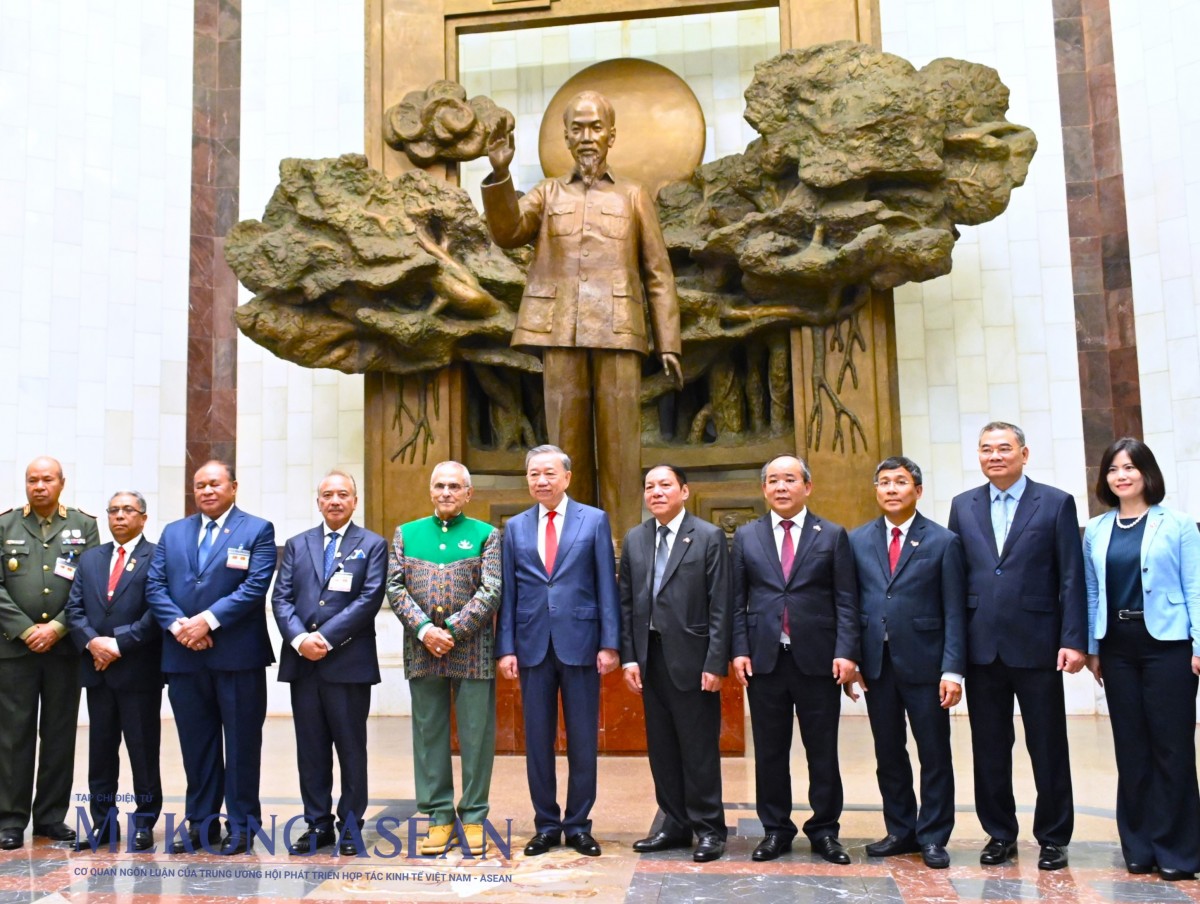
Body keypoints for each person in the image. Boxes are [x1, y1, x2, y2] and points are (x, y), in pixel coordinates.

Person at [482, 90, 683, 537]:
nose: (587, 136)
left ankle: (623, 543)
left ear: (611, 135)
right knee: (563, 446)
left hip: (619, 329)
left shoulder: (633, 195)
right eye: (578, 128)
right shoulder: (548, 192)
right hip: (560, 330)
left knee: (621, 445)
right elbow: (508, 231)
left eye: (596, 127)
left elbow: (658, 272)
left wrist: (668, 341)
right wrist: (499, 175)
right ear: (567, 137)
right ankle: (573, 542)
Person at [947, 421, 1086, 870]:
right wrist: (954, 654)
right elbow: (955, 580)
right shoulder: (962, 506)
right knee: (989, 746)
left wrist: (1073, 639)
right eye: (986, 449)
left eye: (1004, 448)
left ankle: (1053, 836)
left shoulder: (1055, 502)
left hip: (1038, 643)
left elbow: (1071, 576)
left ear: (1024, 454)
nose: (995, 456)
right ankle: (999, 833)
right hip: (981, 646)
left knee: (1047, 744)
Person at [730, 454, 860, 864]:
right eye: (773, 480)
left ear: (807, 486)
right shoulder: (747, 536)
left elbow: (846, 599)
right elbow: (736, 601)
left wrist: (846, 651)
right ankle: (775, 829)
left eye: (789, 479)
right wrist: (739, 649)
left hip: (818, 659)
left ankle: (825, 830)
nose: (781, 487)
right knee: (770, 751)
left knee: (822, 750)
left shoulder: (832, 535)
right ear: (764, 488)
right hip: (765, 659)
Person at [1082, 437, 1200, 881]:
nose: (1121, 476)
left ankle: (1178, 851)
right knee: (1130, 748)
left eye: (1130, 467)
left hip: (1168, 646)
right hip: (1117, 647)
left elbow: (1196, 586)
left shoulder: (1178, 524)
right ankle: (1139, 846)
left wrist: (1199, 644)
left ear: (1147, 473)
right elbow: (1092, 591)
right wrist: (1093, 648)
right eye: (1113, 469)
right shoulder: (1096, 529)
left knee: (1171, 747)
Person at [145, 460, 276, 855]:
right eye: (200, 485)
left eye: (214, 484)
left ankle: (242, 825)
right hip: (184, 657)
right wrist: (180, 627)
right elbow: (155, 586)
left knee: (241, 745)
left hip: (237, 657)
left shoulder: (257, 529)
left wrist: (206, 622)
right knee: (196, 745)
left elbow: (255, 586)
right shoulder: (173, 532)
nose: (206, 491)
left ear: (233, 487)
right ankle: (201, 824)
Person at [496, 444, 619, 857]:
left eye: (549, 473)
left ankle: (579, 825)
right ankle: (546, 825)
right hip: (531, 645)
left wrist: (609, 643)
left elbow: (606, 584)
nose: (541, 481)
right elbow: (509, 592)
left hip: (581, 642)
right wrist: (506, 647)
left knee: (583, 740)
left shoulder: (594, 520)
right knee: (537, 740)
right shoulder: (515, 527)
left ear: (567, 477)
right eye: (534, 474)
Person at [848, 456, 965, 870]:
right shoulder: (857, 540)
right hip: (877, 665)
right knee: (888, 752)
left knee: (933, 753)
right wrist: (852, 659)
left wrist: (953, 669)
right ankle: (900, 829)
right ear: (876, 490)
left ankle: (933, 835)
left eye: (900, 482)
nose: (891, 489)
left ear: (918, 490)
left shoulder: (943, 541)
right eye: (884, 482)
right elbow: (850, 604)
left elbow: (954, 610)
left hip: (926, 664)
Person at [387, 461, 501, 857]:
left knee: (476, 735)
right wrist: (425, 630)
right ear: (430, 491)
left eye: (455, 486)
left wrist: (451, 630)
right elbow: (395, 588)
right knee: (428, 733)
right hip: (422, 649)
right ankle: (438, 816)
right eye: (440, 485)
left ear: (469, 493)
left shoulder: (486, 535)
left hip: (472, 649)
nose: (447, 492)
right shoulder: (406, 533)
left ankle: (474, 816)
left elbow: (491, 590)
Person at [619, 465, 731, 863]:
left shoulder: (708, 536)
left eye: (665, 485)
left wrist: (716, 662)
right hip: (650, 658)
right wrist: (629, 657)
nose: (656, 492)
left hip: (694, 659)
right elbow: (626, 602)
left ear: (684, 491)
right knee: (662, 747)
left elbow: (721, 604)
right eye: (649, 486)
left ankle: (709, 829)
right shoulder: (635, 538)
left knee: (698, 748)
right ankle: (674, 823)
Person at [272, 471, 386, 857]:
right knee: (311, 748)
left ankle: (350, 826)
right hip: (303, 664)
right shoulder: (297, 544)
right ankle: (317, 823)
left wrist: (325, 638)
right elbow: (281, 598)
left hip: (348, 663)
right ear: (318, 501)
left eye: (342, 494)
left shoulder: (372, 544)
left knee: (351, 748)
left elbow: (369, 598)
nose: (335, 500)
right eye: (327, 495)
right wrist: (300, 640)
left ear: (355, 501)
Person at [0, 456, 99, 850]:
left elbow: (88, 583)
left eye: (46, 479)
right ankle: (10, 819)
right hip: (14, 649)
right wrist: (26, 630)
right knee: (13, 736)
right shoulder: (5, 524)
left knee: (59, 733)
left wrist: (57, 627)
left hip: (63, 650)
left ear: (61, 483)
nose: (39, 486)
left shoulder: (83, 525)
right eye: (32, 480)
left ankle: (50, 817)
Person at [64, 491, 163, 852]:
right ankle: (103, 823)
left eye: (128, 510)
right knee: (101, 752)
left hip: (138, 671)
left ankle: (145, 821)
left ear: (143, 517)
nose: (120, 516)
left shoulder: (157, 556)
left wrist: (118, 644)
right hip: (98, 671)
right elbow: (74, 609)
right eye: (114, 510)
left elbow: (157, 612)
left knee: (142, 750)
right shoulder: (91, 558)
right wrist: (93, 643)